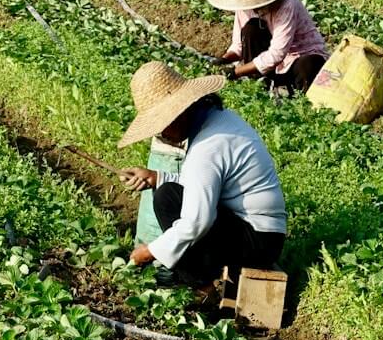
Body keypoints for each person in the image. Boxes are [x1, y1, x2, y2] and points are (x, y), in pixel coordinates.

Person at [116, 62, 286, 291]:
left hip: (258, 241)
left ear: (177, 116)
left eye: (161, 128)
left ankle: (201, 286)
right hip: (260, 231)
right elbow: (202, 188)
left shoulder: (208, 146)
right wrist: (157, 177)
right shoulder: (218, 122)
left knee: (167, 199)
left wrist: (149, 252)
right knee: (168, 191)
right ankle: (203, 276)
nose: (162, 135)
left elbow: (197, 222)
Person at [208, 0, 328, 95]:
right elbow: (239, 46)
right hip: (270, 63)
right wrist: (224, 59)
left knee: (309, 64)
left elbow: (277, 53)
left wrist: (235, 72)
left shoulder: (287, 5)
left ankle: (298, 97)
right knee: (251, 28)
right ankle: (261, 85)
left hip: (298, 57)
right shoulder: (245, 5)